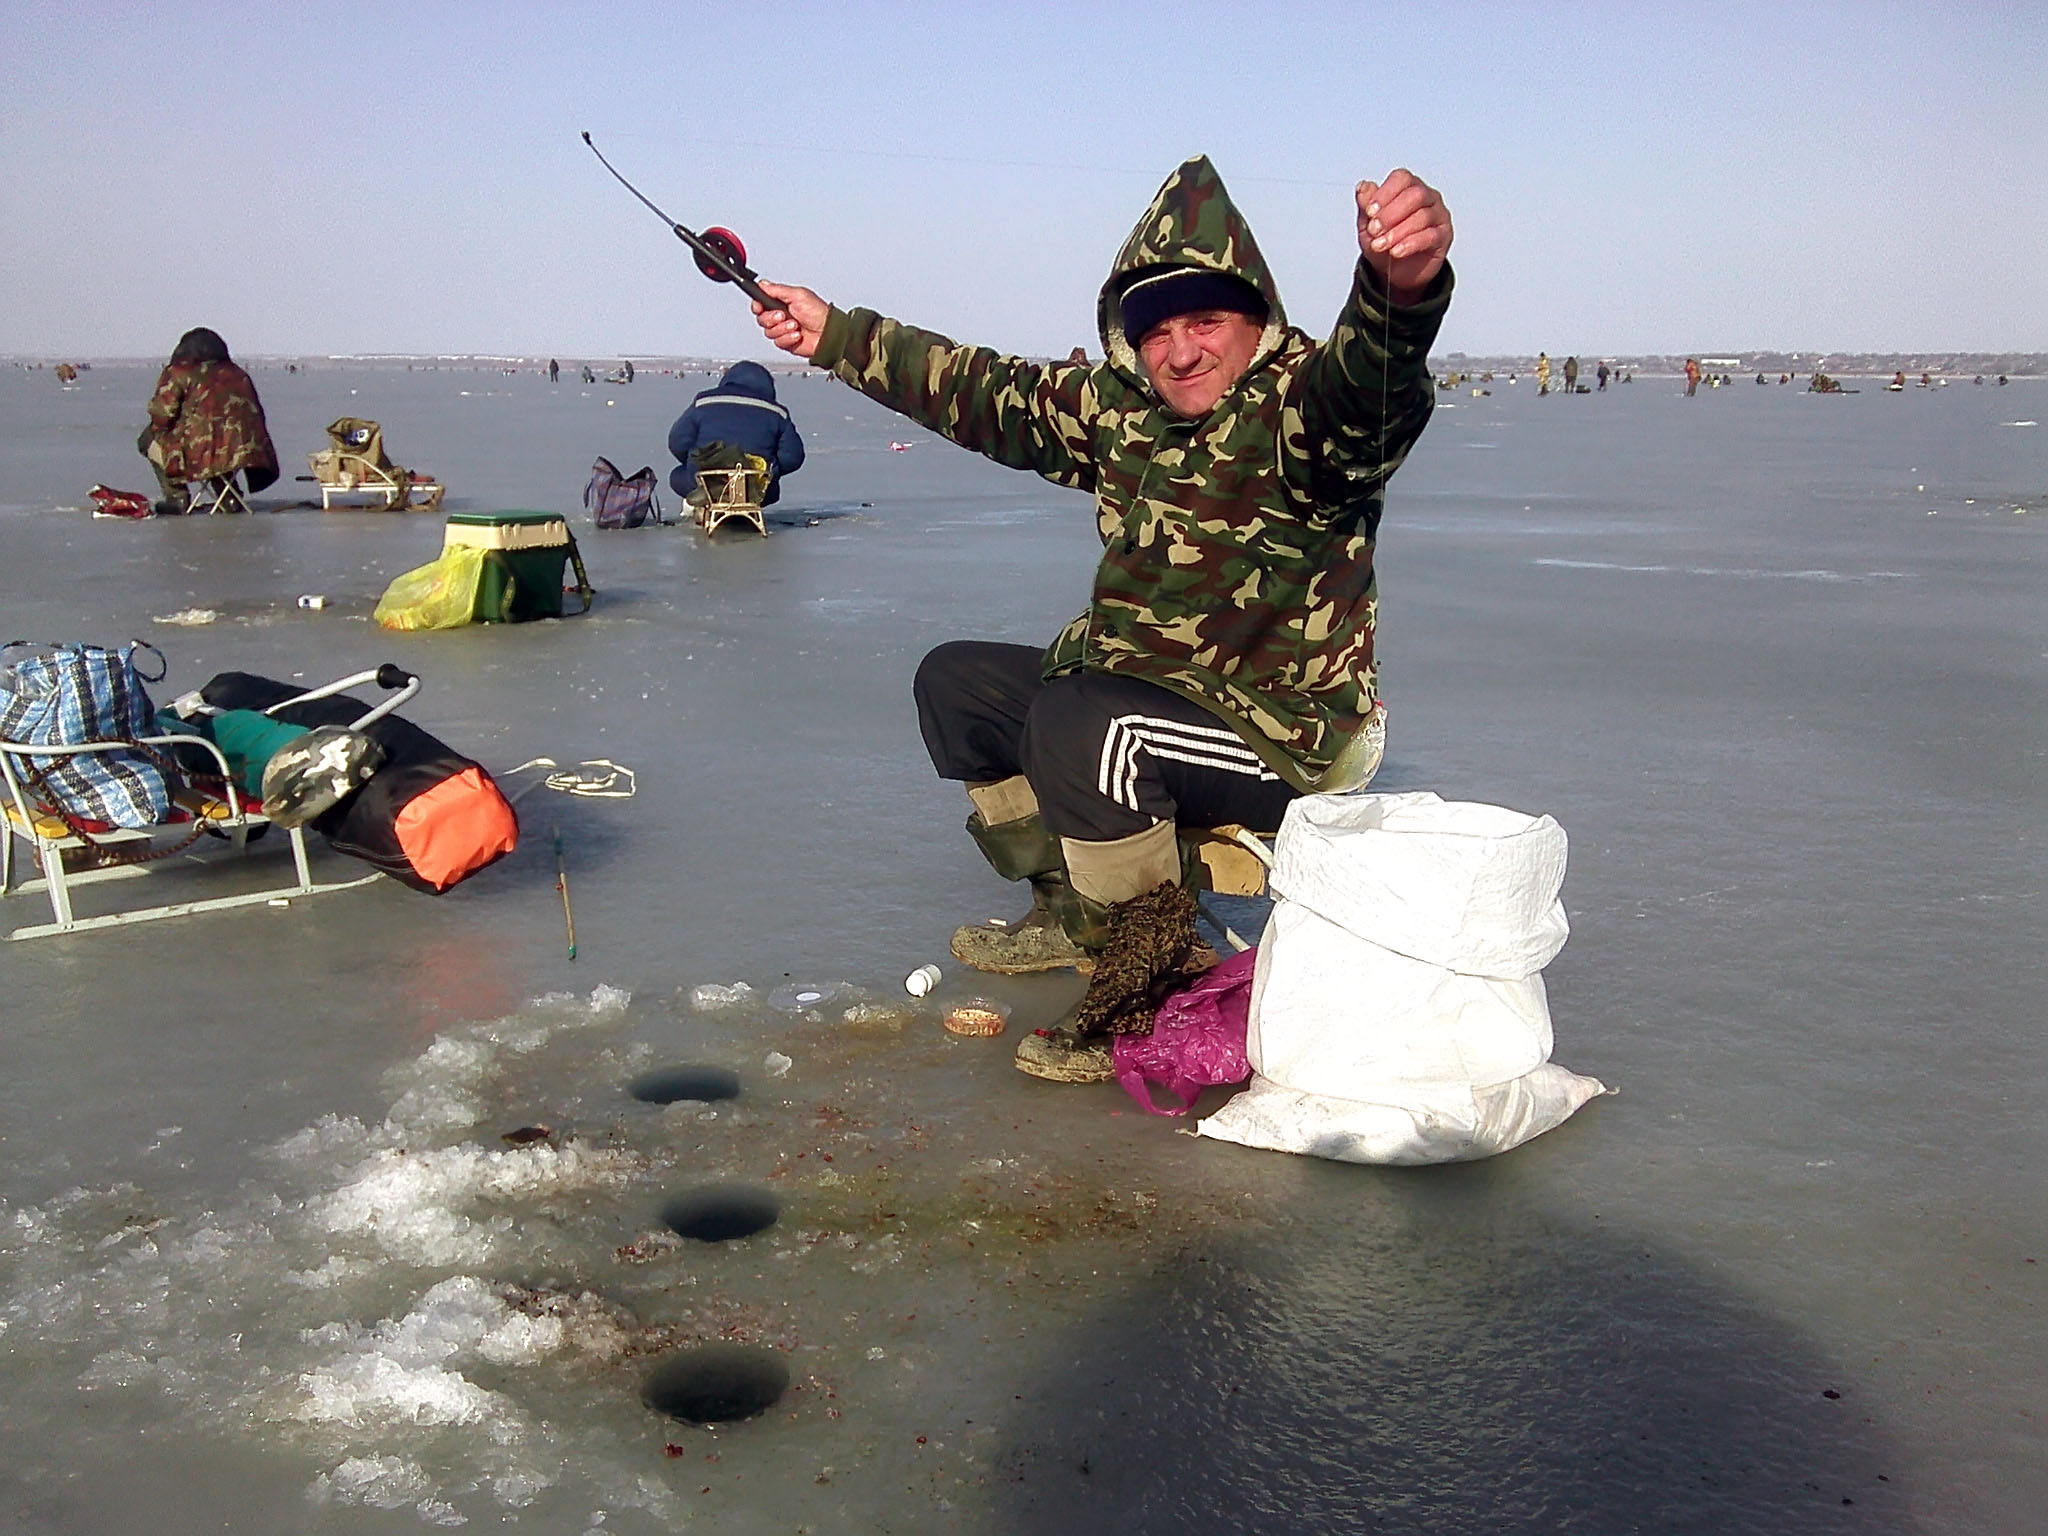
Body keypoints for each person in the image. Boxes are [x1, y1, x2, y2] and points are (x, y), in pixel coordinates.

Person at [749, 156, 1453, 1081]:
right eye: (1156, 331)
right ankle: (1067, 909)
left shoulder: (1304, 416)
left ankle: (1146, 980)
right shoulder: (1125, 413)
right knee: (958, 682)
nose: (1182, 351)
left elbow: (1374, 388)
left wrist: (1401, 287)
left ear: (1257, 321)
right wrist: (835, 333)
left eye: (1207, 321)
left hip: (1283, 733)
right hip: (1145, 697)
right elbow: (980, 391)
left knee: (1091, 723)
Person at [136, 327, 278, 514]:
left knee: (147, 439)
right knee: (221, 444)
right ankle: (230, 497)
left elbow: (163, 415)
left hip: (203, 451)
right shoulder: (237, 373)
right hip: (245, 449)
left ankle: (177, 497)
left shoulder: (179, 372)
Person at [666, 360, 805, 507]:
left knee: (677, 475)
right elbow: (793, 458)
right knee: (771, 487)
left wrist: (693, 462)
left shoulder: (704, 402)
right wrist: (771, 471)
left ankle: (702, 502)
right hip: (756, 489)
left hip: (705, 482)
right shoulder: (777, 413)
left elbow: (677, 442)